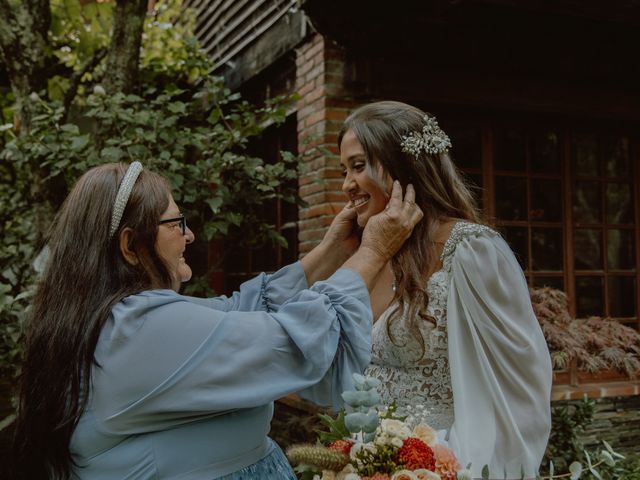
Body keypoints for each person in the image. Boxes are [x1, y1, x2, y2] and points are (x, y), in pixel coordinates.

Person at [12, 161, 423, 480]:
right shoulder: (136, 329)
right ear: (130, 246)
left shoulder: (112, 317)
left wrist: (334, 248)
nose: (189, 235)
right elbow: (283, 339)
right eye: (176, 223)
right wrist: (371, 253)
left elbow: (236, 312)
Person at [338, 101, 553, 479]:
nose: (346, 184)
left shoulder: (471, 250)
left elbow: (520, 386)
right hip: (366, 461)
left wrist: (457, 468)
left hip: (449, 463)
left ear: (402, 166)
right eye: (345, 170)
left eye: (358, 166)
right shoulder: (370, 253)